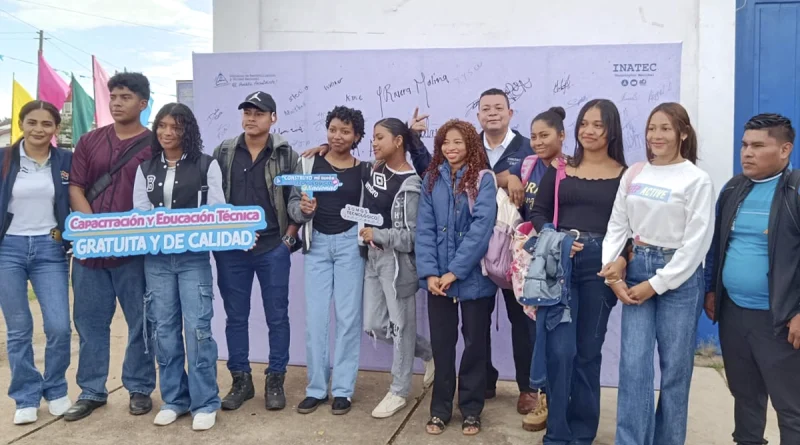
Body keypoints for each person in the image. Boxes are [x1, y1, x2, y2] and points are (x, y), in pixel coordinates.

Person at [407, 89, 539, 413]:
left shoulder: (528, 149)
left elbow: (540, 186)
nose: (492, 113)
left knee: (520, 320)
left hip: (511, 252)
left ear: (510, 112)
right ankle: (485, 382)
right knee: (476, 327)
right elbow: (432, 169)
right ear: (478, 116)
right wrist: (412, 139)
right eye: (485, 109)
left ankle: (528, 386)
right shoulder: (469, 143)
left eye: (498, 108)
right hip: (471, 258)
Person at [599, 102, 715, 445]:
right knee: (634, 367)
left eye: (665, 128)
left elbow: (697, 243)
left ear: (682, 134)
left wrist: (658, 283)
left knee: (675, 371)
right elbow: (618, 225)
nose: (656, 135)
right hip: (635, 271)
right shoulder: (635, 173)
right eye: (652, 128)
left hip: (679, 278)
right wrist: (612, 273)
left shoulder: (696, 179)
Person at [529, 99, 626, 445]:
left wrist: (622, 260)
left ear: (611, 129)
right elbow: (538, 213)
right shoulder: (560, 169)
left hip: (600, 267)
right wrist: (557, 240)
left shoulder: (625, 175)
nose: (589, 130)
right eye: (584, 123)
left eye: (598, 124)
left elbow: (629, 226)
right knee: (559, 351)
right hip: (561, 264)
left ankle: (582, 433)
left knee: (588, 352)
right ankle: (557, 433)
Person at [705, 113, 800, 445]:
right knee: (746, 401)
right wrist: (711, 290)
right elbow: (718, 245)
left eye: (758, 146)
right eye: (744, 145)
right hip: (735, 316)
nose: (747, 152)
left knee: (792, 410)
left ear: (785, 150)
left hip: (779, 320)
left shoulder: (795, 191)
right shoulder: (734, 188)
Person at [65, 72, 156, 421]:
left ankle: (139, 387)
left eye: (125, 97)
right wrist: (95, 231)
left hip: (134, 253)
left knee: (141, 323)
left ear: (143, 103)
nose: (117, 103)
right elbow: (76, 186)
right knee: (89, 323)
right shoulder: (89, 141)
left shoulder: (154, 144)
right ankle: (91, 390)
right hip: (90, 252)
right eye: (113, 96)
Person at [132, 103, 225, 430]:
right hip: (156, 260)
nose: (168, 132)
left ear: (188, 131)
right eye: (162, 126)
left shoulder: (206, 165)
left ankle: (206, 401)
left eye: (176, 127)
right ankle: (175, 398)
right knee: (164, 330)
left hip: (193, 258)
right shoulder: (146, 168)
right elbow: (140, 215)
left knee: (198, 329)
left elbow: (217, 212)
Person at [212, 91, 301, 412]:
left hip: (271, 248)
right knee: (236, 317)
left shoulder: (286, 154)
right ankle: (241, 381)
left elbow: (295, 198)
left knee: (277, 317)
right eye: (247, 112)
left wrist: (288, 240)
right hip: (231, 250)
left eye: (259, 113)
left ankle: (275, 378)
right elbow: (212, 199)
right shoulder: (223, 152)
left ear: (273, 118)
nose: (251, 118)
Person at [415, 119, 497, 436]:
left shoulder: (484, 179)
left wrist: (454, 271)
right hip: (437, 281)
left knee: (475, 344)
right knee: (443, 345)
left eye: (458, 142)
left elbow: (481, 230)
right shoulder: (431, 180)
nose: (451, 148)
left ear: (470, 145)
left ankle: (472, 410)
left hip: (473, 277)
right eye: (446, 142)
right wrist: (432, 273)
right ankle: (439, 410)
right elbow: (424, 230)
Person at [288, 105, 369, 416]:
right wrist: (304, 210)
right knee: (316, 320)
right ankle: (316, 389)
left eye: (345, 131)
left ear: (357, 136)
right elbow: (294, 204)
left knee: (349, 319)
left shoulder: (365, 169)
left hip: (351, 245)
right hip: (317, 245)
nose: (338, 136)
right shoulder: (308, 163)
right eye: (333, 129)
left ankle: (343, 390)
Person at [0, 101, 73, 425]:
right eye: (32, 122)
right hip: (8, 249)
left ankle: (56, 389)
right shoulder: (4, 159)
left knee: (59, 326)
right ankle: (26, 396)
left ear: (55, 128)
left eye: (46, 124)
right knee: (18, 330)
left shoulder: (65, 161)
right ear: (21, 124)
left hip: (50, 248)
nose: (39, 129)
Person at [360, 118, 435, 419]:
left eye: (380, 138)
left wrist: (378, 235)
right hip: (372, 260)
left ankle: (399, 390)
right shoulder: (375, 169)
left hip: (397, 263)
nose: (374, 143)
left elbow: (413, 237)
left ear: (398, 141)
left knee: (402, 327)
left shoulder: (411, 184)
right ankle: (430, 353)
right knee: (376, 325)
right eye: (373, 138)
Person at [506, 106, 568, 431]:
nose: (538, 141)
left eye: (545, 135)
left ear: (561, 135)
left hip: (557, 260)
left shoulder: (570, 169)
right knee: (532, 331)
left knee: (555, 331)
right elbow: (496, 176)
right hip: (528, 259)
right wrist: (513, 176)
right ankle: (538, 395)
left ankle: (557, 401)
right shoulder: (529, 164)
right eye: (533, 136)